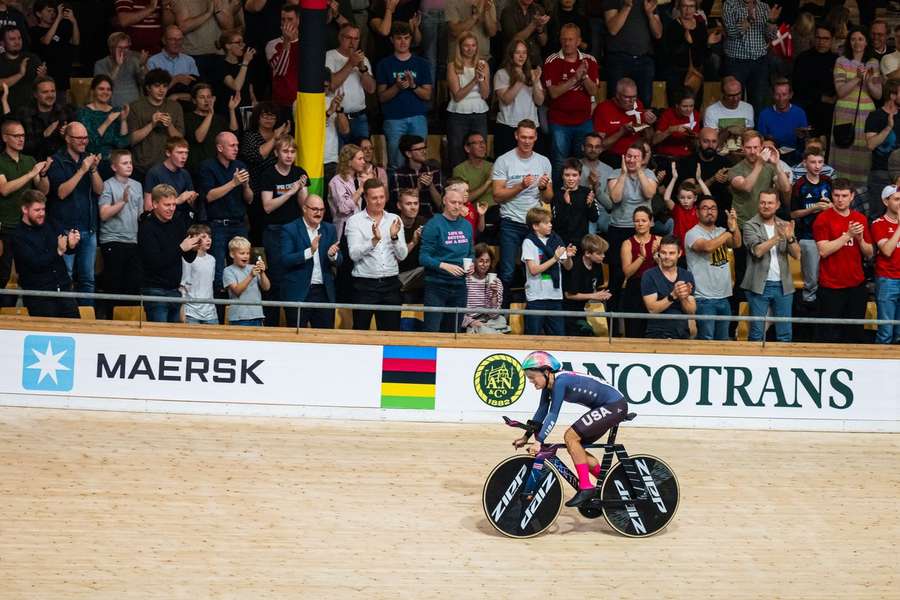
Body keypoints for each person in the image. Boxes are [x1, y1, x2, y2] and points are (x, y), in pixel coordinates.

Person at [512, 350, 628, 508]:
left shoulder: (561, 382)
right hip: (608, 406)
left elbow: (553, 414)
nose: (532, 383)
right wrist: (526, 437)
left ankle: (586, 487)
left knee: (570, 437)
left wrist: (539, 441)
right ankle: (611, 487)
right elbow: (541, 412)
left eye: (533, 378)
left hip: (614, 405)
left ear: (546, 372)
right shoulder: (549, 385)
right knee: (575, 447)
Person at [491, 119, 553, 307]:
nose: (527, 141)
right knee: (508, 271)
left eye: (531, 138)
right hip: (510, 221)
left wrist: (542, 188)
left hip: (534, 223)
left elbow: (549, 198)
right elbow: (497, 196)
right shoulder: (504, 160)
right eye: (523, 137)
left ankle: (537, 308)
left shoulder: (543, 161)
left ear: (535, 138)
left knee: (538, 269)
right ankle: (502, 311)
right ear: (516, 136)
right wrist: (520, 186)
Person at [46, 122, 104, 306]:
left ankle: (87, 319)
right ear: (68, 139)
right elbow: (61, 192)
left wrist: (93, 169)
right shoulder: (57, 161)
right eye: (79, 138)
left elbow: (99, 190)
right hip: (64, 228)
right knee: (66, 276)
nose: (84, 142)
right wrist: (82, 170)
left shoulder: (88, 159)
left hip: (88, 228)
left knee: (88, 278)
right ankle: (66, 316)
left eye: (85, 138)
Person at [813, 178, 874, 343]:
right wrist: (847, 235)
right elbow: (823, 251)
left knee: (855, 333)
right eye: (837, 195)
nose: (840, 199)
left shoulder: (860, 218)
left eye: (844, 195)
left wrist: (860, 239)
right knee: (827, 334)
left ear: (852, 196)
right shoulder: (823, 219)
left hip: (856, 284)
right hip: (831, 285)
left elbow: (869, 253)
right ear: (832, 196)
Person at [345, 178, 408, 330]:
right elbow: (353, 254)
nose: (379, 201)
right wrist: (373, 241)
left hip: (391, 284)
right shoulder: (355, 221)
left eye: (382, 197)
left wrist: (394, 237)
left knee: (391, 334)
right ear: (365, 198)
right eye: (374, 198)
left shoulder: (395, 219)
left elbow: (402, 255)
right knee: (360, 332)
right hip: (364, 286)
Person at [260, 135, 309, 326]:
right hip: (274, 231)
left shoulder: (299, 172)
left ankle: (293, 323)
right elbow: (267, 206)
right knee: (276, 277)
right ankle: (271, 323)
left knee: (294, 276)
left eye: (292, 151)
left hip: (295, 230)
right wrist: (290, 190)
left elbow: (305, 206)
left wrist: (302, 189)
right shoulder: (268, 175)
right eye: (285, 151)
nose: (289, 155)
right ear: (276, 153)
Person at [0, 119, 50, 306]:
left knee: (29, 272)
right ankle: (5, 316)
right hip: (6, 226)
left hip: (29, 228)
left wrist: (43, 174)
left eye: (23, 135)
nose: (21, 139)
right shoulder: (0, 161)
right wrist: (30, 174)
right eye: (16, 136)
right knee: (6, 274)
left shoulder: (29, 160)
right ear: (5, 138)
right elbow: (4, 189)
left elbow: (43, 190)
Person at [606, 142, 658, 316]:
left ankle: (644, 316)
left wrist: (640, 170)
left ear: (642, 159)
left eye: (636, 157)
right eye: (629, 156)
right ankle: (613, 319)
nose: (632, 160)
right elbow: (615, 198)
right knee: (617, 276)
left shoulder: (649, 173)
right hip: (619, 228)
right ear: (623, 157)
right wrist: (623, 174)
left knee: (644, 273)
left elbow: (649, 193)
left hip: (643, 229)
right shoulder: (615, 173)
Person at [740, 189, 799, 342]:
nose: (766, 206)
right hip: (759, 285)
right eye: (763, 202)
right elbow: (758, 251)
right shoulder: (750, 225)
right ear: (758, 204)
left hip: (783, 285)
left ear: (777, 205)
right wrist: (777, 237)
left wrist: (790, 239)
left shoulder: (785, 225)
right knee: (757, 332)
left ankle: (784, 365)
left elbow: (797, 255)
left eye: (770, 203)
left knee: (785, 333)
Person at [198, 131, 253, 291]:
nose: (236, 148)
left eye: (237, 145)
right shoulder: (207, 166)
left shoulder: (240, 166)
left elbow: (249, 199)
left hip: (239, 224)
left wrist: (246, 185)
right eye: (232, 145)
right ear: (220, 147)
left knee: (242, 267)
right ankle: (220, 308)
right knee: (218, 271)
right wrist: (233, 183)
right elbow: (208, 196)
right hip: (217, 225)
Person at [11, 189, 80, 318]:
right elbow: (35, 263)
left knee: (76, 331)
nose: (42, 214)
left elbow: (66, 248)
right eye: (37, 210)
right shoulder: (17, 236)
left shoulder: (51, 223)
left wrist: (72, 244)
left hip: (64, 290)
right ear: (25, 210)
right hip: (39, 296)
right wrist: (58, 251)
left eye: (43, 209)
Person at [543, 24, 599, 178]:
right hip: (559, 122)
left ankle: (583, 198)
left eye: (570, 39)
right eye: (564, 39)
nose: (567, 43)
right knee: (560, 163)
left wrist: (585, 76)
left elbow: (593, 91)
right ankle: (558, 200)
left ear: (578, 41)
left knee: (585, 162)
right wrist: (575, 78)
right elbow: (553, 93)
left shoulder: (590, 61)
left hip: (584, 121)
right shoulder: (552, 61)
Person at [138, 183, 200, 323]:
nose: (171, 208)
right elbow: (154, 262)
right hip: (154, 292)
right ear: (154, 204)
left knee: (175, 340)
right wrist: (181, 248)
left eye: (173, 204)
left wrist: (194, 248)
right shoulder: (146, 228)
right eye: (167, 205)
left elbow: (188, 257)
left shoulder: (177, 223)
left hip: (175, 290)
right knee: (159, 340)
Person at [831, 27, 882, 188]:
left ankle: (860, 193)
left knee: (862, 154)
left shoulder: (873, 63)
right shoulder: (841, 61)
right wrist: (857, 78)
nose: (857, 42)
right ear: (849, 42)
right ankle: (840, 189)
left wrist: (867, 79)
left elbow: (878, 94)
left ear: (866, 42)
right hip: (844, 114)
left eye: (860, 39)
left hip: (866, 115)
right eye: (853, 39)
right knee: (843, 148)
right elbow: (840, 92)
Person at [376, 22, 433, 168]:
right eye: (399, 38)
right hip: (393, 119)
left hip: (417, 117)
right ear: (392, 40)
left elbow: (427, 95)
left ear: (411, 39)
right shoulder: (384, 64)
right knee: (396, 162)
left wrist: (413, 86)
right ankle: (396, 190)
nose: (403, 42)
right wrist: (397, 87)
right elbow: (381, 97)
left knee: (420, 161)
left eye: (406, 38)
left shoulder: (422, 64)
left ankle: (419, 189)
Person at [280, 194, 341, 328]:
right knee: (296, 340)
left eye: (321, 210)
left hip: (323, 293)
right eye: (314, 209)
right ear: (304, 209)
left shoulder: (329, 229)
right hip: (299, 293)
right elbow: (285, 259)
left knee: (324, 339)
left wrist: (332, 255)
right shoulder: (290, 229)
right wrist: (310, 252)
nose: (318, 213)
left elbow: (339, 259)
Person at [419, 188, 474, 332]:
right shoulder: (433, 224)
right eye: (453, 202)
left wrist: (472, 264)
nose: (457, 206)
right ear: (444, 201)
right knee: (432, 331)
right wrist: (444, 265)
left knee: (453, 332)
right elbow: (423, 257)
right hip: (437, 285)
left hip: (460, 286)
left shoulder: (467, 226)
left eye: (460, 203)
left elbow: (471, 253)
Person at [685, 198, 741, 340]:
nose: (709, 211)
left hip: (724, 297)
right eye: (705, 208)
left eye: (713, 208)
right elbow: (707, 247)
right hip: (703, 299)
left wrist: (735, 226)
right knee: (706, 340)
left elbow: (737, 243)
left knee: (723, 342)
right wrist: (729, 232)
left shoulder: (721, 231)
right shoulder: (692, 233)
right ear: (697, 212)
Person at [98, 149, 143, 314]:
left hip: (133, 240)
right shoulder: (108, 185)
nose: (129, 166)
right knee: (114, 285)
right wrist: (122, 202)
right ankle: (111, 322)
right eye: (125, 163)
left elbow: (140, 215)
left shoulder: (137, 185)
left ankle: (128, 323)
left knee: (132, 285)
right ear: (114, 167)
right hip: (113, 240)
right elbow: (103, 214)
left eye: (130, 162)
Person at [521, 205, 575, 336]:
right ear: (535, 226)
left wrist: (567, 257)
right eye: (546, 223)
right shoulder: (529, 242)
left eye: (550, 222)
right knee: (533, 337)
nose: (550, 225)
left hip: (555, 296)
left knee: (558, 336)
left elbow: (568, 267)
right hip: (536, 298)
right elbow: (533, 270)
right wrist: (555, 258)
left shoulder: (556, 239)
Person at [789, 148, 831, 306]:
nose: (817, 166)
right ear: (805, 163)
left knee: (827, 277)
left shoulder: (828, 182)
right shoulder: (799, 185)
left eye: (820, 162)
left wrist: (831, 206)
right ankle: (809, 307)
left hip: (829, 237)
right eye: (813, 162)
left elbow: (839, 206)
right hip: (808, 237)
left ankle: (825, 308)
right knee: (811, 279)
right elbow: (793, 214)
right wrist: (813, 209)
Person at [721, 0, 780, 113]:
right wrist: (749, 19)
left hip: (759, 61)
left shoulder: (764, 6)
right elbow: (731, 33)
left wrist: (771, 21)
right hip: (736, 62)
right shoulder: (730, 4)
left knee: (759, 102)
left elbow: (771, 36)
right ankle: (735, 130)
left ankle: (756, 130)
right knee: (734, 101)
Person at [602, 0, 662, 108]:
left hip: (644, 59)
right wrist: (627, 6)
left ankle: (640, 125)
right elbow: (613, 29)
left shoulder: (647, 1)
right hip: (619, 59)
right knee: (616, 101)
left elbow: (658, 33)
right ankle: (615, 125)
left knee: (644, 102)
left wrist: (650, 14)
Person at [127, 68, 184, 180]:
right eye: (157, 86)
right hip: (141, 167)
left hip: (168, 166)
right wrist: (152, 124)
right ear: (148, 87)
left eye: (165, 86)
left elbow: (180, 140)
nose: (161, 90)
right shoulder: (135, 107)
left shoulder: (175, 106)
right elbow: (131, 140)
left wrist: (170, 125)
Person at [446, 32, 490, 171]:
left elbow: (485, 94)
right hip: (458, 113)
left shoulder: (483, 65)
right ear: (460, 47)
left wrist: (481, 79)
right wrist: (474, 80)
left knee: (480, 150)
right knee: (457, 150)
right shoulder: (452, 66)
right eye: (466, 46)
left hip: (479, 112)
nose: (470, 49)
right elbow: (457, 95)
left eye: (473, 45)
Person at [492, 39, 543, 157]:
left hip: (531, 127)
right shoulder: (502, 73)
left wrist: (535, 82)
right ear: (511, 55)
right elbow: (506, 99)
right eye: (517, 52)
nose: (521, 56)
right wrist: (520, 81)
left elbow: (539, 101)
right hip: (508, 127)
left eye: (524, 52)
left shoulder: (532, 73)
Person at [641, 234, 696, 339]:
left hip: (682, 332)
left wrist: (683, 297)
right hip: (657, 333)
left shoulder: (687, 275)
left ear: (679, 254)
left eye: (671, 253)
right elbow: (652, 309)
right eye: (663, 253)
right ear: (659, 253)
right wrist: (672, 295)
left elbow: (691, 311)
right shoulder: (649, 275)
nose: (667, 257)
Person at [327, 23, 375, 142]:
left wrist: (363, 68)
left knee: (361, 157)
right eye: (348, 38)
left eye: (356, 39)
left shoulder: (363, 59)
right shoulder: (329, 56)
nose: (352, 42)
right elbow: (331, 85)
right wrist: (350, 64)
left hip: (360, 117)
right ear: (340, 37)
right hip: (337, 116)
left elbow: (371, 89)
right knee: (341, 156)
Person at [662, 0, 717, 105]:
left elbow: (704, 55)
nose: (688, 10)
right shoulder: (672, 26)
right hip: (677, 76)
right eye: (684, 6)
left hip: (695, 75)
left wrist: (709, 44)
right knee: (677, 108)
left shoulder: (700, 25)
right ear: (679, 8)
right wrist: (686, 42)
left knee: (695, 107)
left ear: (696, 8)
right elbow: (669, 54)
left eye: (691, 6)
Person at [77, 75, 131, 180]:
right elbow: (90, 144)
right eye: (101, 89)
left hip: (114, 164)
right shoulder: (84, 112)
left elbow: (123, 144)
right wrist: (108, 121)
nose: (105, 92)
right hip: (93, 162)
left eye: (108, 89)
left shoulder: (116, 111)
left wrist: (124, 120)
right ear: (93, 91)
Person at [792, 24, 838, 142]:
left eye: (825, 38)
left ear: (832, 40)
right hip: (807, 104)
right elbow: (798, 85)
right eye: (818, 38)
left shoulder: (837, 60)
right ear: (813, 38)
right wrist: (821, 97)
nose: (821, 42)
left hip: (829, 108)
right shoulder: (803, 58)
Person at [593, 77, 657, 159]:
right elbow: (600, 146)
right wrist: (621, 132)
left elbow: (649, 140)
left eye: (634, 97)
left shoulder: (638, 104)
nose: (632, 101)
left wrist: (649, 125)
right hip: (613, 156)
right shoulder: (603, 109)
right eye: (627, 97)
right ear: (617, 95)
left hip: (636, 156)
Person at [16, 76, 76, 163]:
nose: (50, 95)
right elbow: (22, 146)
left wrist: (67, 136)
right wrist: (43, 135)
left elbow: (78, 142)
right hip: (34, 163)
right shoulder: (24, 114)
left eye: (53, 91)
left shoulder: (66, 111)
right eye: (45, 92)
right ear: (35, 94)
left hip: (62, 164)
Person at [184, 83, 240, 176]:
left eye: (209, 97)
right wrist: (210, 114)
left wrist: (232, 110)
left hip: (218, 167)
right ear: (194, 100)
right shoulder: (188, 118)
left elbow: (233, 133)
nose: (206, 100)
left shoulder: (219, 118)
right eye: (202, 97)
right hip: (197, 168)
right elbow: (199, 138)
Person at [619, 206, 658, 337]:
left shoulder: (659, 241)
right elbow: (627, 272)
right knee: (634, 330)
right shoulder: (628, 243)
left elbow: (668, 268)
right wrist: (642, 257)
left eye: (643, 220)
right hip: (635, 288)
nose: (640, 224)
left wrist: (655, 255)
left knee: (653, 330)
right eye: (636, 221)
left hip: (655, 287)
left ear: (650, 222)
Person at [865, 78, 900, 220]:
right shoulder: (875, 116)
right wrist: (888, 127)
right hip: (881, 173)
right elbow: (871, 144)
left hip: (899, 173)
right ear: (892, 95)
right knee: (877, 216)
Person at [563, 233, 611, 336]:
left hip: (583, 310)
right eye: (599, 253)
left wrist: (601, 295)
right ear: (588, 253)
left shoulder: (597, 266)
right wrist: (594, 296)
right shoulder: (576, 266)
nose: (603, 256)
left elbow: (594, 288)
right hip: (568, 312)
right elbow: (568, 295)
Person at [452, 131, 495, 241]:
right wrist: (488, 182)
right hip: (474, 211)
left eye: (483, 142)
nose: (482, 146)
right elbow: (464, 198)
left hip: (495, 210)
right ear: (467, 148)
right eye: (476, 143)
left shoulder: (494, 166)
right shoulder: (460, 170)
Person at [30, 0, 79, 94]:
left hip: (62, 78)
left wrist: (74, 21)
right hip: (45, 78)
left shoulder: (60, 28)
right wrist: (58, 19)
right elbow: (46, 41)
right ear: (38, 14)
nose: (52, 14)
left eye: (54, 11)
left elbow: (75, 41)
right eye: (49, 11)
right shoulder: (34, 30)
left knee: (61, 107)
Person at [143, 137, 198, 220]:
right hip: (161, 223)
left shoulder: (185, 174)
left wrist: (191, 199)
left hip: (181, 221)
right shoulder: (154, 173)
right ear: (168, 153)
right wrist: (177, 201)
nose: (184, 157)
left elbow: (191, 205)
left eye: (186, 153)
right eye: (179, 152)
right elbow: (148, 207)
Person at [872, 184, 900, 344]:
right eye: (896, 199)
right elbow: (887, 250)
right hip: (888, 280)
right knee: (886, 332)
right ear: (885, 201)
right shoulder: (879, 223)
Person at [390, 134, 443, 216]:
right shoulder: (398, 175)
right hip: (408, 219)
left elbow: (441, 206)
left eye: (424, 148)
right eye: (419, 149)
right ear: (408, 154)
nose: (424, 151)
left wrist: (430, 185)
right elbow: (398, 207)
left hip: (432, 217)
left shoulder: (434, 171)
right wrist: (418, 188)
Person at [757, 79, 809, 161]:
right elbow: (760, 141)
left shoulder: (799, 113)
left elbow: (805, 141)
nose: (781, 98)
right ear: (773, 95)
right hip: (771, 157)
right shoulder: (764, 114)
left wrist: (802, 136)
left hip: (796, 157)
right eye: (777, 95)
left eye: (784, 94)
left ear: (790, 95)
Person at [551, 158, 599, 247]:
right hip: (562, 243)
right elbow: (556, 224)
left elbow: (594, 218)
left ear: (579, 176)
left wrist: (590, 205)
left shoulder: (586, 192)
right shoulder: (557, 195)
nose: (571, 178)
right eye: (567, 175)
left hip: (582, 243)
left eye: (574, 175)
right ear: (562, 176)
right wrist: (566, 204)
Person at [223, 236, 269, 326]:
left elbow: (266, 287)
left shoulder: (252, 267)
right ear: (232, 254)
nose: (246, 256)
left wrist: (262, 273)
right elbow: (237, 291)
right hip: (239, 317)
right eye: (242, 253)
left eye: (248, 253)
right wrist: (251, 276)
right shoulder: (228, 270)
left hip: (257, 315)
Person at [93, 32, 147, 108]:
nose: (123, 51)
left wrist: (142, 66)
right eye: (120, 48)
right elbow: (104, 87)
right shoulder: (101, 64)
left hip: (135, 108)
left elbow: (144, 83)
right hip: (111, 107)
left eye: (126, 48)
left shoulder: (134, 61)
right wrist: (117, 66)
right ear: (111, 49)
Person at [463, 243, 507, 333]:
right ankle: (493, 333)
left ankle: (489, 330)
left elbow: (494, 315)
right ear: (474, 261)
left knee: (501, 320)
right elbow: (457, 310)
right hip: (471, 319)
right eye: (481, 261)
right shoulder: (465, 280)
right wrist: (471, 322)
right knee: (484, 329)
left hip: (489, 319)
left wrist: (494, 294)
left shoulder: (496, 282)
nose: (484, 264)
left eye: (487, 261)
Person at [147, 25, 198, 101]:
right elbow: (152, 92)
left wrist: (177, 96)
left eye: (179, 39)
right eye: (172, 39)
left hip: (186, 102)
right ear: (164, 40)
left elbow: (197, 90)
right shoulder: (153, 61)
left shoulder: (189, 60)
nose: (177, 43)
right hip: (161, 103)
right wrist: (176, 79)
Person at [179, 223, 217, 324]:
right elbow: (183, 286)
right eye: (204, 237)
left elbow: (210, 285)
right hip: (191, 313)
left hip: (210, 313)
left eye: (210, 237)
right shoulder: (187, 259)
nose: (209, 239)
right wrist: (182, 310)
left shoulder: (212, 260)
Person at [396, 188, 427, 310]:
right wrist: (413, 242)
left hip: (420, 277)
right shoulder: (393, 224)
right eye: (408, 204)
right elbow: (395, 259)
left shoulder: (423, 222)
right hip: (399, 277)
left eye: (416, 203)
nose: (413, 207)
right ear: (399, 205)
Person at [266, 4, 301, 111]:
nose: (286, 23)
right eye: (283, 19)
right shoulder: (272, 44)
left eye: (290, 19)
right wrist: (286, 41)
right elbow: (280, 70)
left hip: (303, 100)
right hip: (281, 102)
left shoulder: (307, 44)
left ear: (298, 20)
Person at [0, 26, 45, 111]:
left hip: (30, 110)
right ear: (2, 43)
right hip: (5, 110)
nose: (17, 42)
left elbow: (40, 85)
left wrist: (41, 77)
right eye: (12, 39)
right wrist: (20, 74)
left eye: (19, 38)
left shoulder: (32, 58)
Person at [329, 143, 367, 239]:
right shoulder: (336, 181)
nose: (364, 162)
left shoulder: (360, 179)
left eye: (363, 158)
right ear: (349, 162)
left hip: (362, 228)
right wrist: (360, 190)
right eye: (360, 159)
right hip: (345, 231)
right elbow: (343, 208)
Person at [215, 29, 256, 117]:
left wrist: (253, 99)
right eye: (238, 42)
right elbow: (236, 86)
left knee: (249, 130)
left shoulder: (244, 63)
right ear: (228, 46)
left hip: (246, 108)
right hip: (230, 110)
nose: (243, 45)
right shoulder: (220, 65)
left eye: (243, 42)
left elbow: (249, 85)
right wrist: (245, 63)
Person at [652, 89, 702, 160]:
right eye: (684, 106)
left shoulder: (695, 114)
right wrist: (670, 130)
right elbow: (654, 140)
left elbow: (696, 142)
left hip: (688, 156)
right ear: (677, 105)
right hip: (667, 156)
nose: (689, 109)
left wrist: (694, 136)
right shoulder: (667, 114)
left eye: (691, 106)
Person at [499, 0, 548, 69]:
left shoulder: (539, 9)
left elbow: (543, 42)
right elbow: (514, 39)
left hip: (535, 63)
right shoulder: (508, 11)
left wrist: (540, 30)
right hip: (514, 65)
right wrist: (534, 24)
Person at [446, 0, 497, 65]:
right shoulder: (452, 2)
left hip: (482, 59)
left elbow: (492, 32)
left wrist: (486, 12)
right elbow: (455, 31)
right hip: (458, 61)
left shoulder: (488, 2)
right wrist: (476, 15)